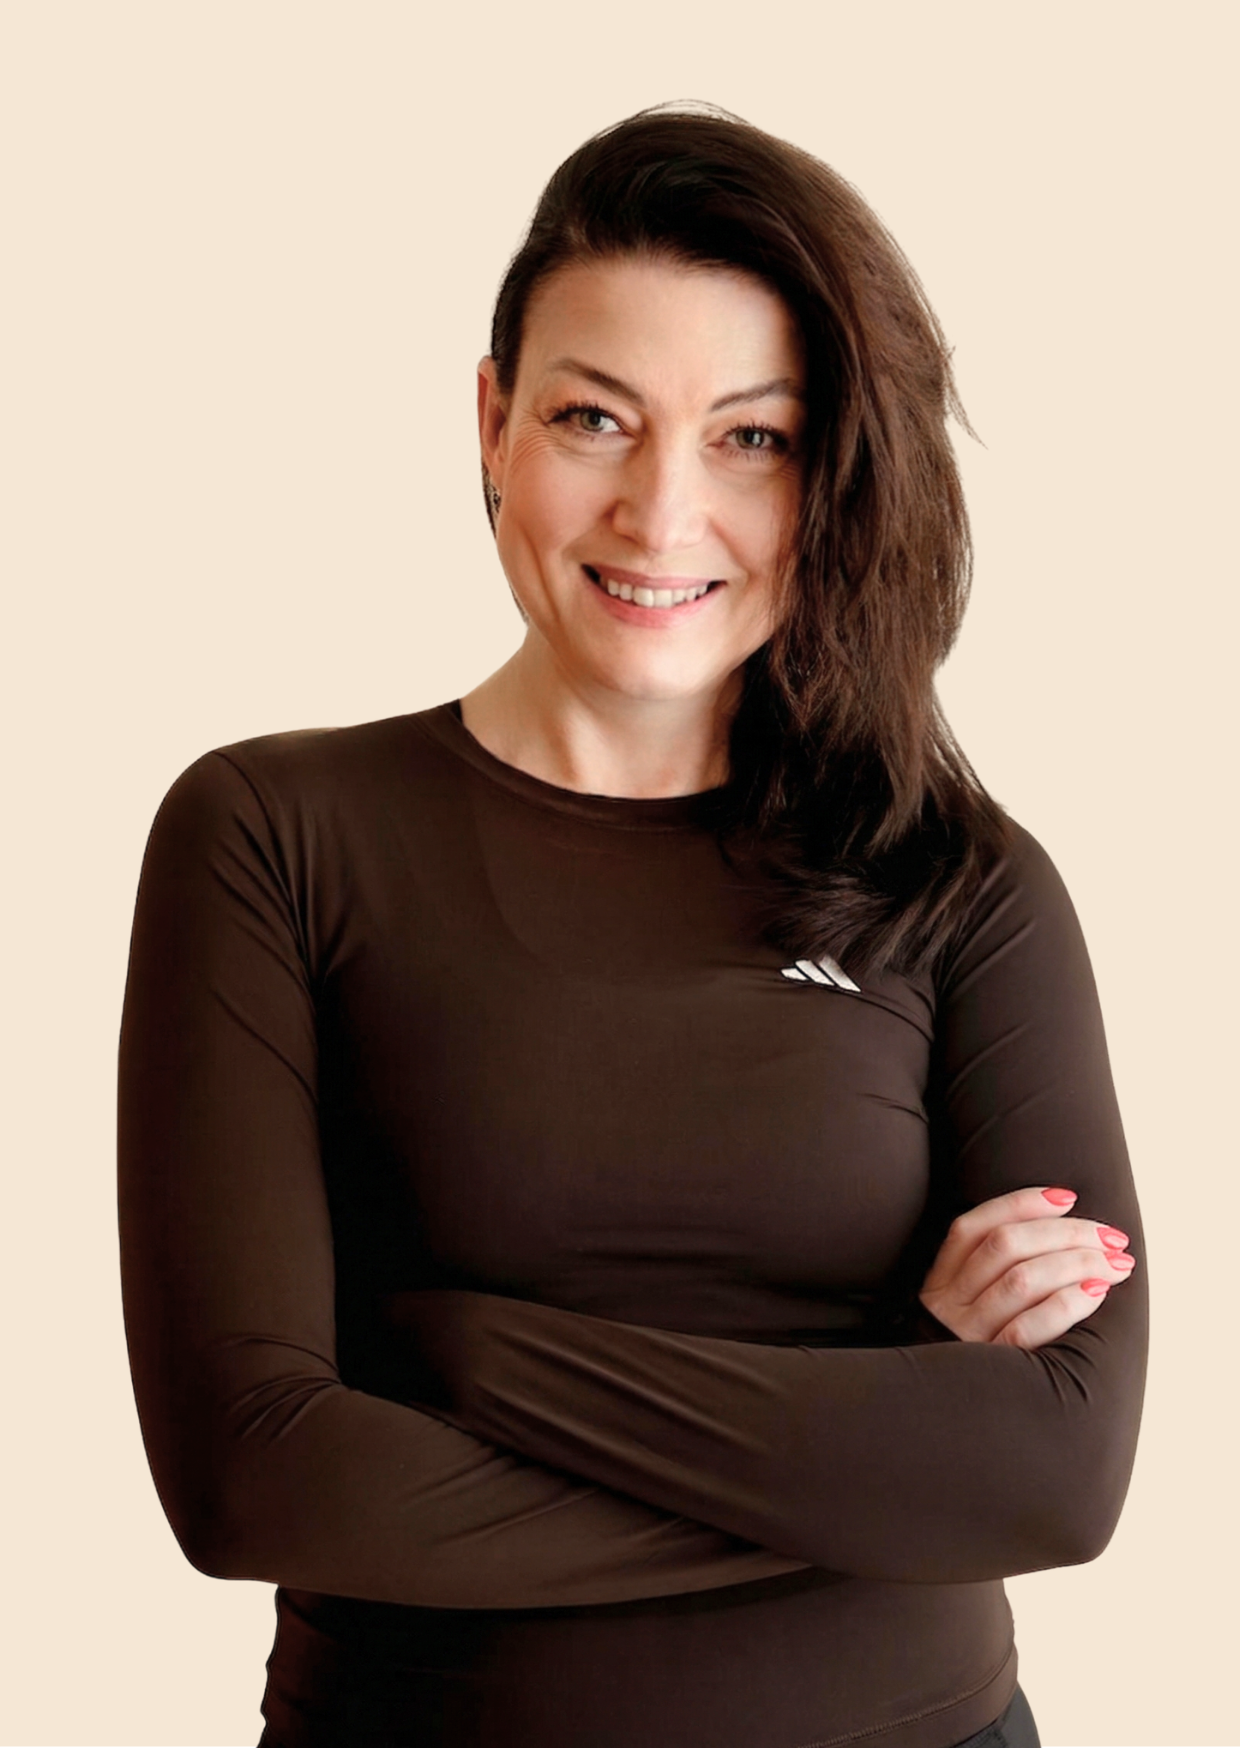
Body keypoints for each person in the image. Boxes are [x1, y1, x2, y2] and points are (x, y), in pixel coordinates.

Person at [117, 104, 1147, 1748]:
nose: (664, 517)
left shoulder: (956, 880)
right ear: (492, 423)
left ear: (832, 471)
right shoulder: (275, 836)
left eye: (755, 438)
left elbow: (1056, 1475)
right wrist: (893, 1416)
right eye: (595, 418)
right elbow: (257, 1485)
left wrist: (469, 1359)